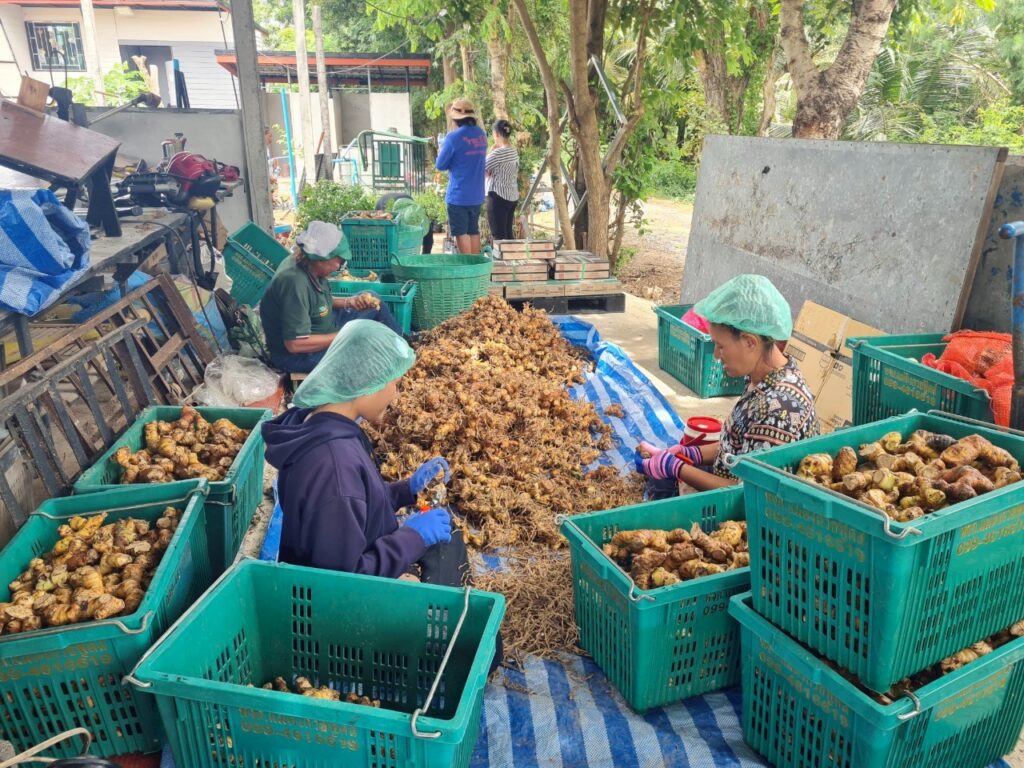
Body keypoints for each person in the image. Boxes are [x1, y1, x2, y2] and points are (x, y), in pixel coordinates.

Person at [262, 320, 455, 578]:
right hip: (335, 597)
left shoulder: (321, 424)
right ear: (368, 383)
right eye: (395, 384)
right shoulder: (334, 466)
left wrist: (404, 490)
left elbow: (356, 503)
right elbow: (345, 579)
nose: (395, 395)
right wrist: (412, 538)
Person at [636, 274, 819, 492]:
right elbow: (736, 446)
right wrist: (691, 453)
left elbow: (744, 492)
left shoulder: (780, 411)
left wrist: (677, 468)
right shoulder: (761, 376)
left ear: (750, 342)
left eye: (720, 346)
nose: (716, 355)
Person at [259, 221, 402, 373]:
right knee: (369, 356)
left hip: (326, 327)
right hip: (300, 356)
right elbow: (294, 344)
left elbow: (316, 302)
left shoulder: (310, 265)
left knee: (372, 298)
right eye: (339, 261)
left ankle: (403, 345)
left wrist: (350, 302)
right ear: (321, 259)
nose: (339, 267)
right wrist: (347, 335)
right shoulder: (293, 282)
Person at [435, 98, 487, 254]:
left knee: (460, 232)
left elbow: (440, 165)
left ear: (455, 118)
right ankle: (476, 265)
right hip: (477, 195)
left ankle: (467, 265)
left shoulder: (453, 138)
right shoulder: (481, 135)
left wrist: (442, 150)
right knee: (473, 230)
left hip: (458, 195)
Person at [485, 119, 519, 241]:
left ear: (496, 134)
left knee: (499, 237)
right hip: (511, 196)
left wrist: (491, 151)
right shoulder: (513, 151)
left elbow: (482, 169)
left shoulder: (498, 153)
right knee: (508, 235)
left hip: (498, 196)